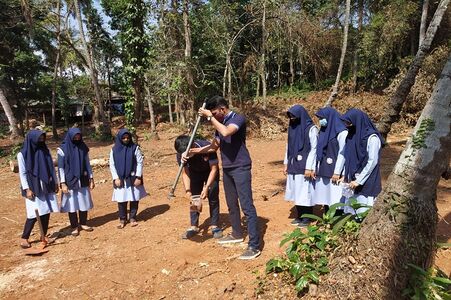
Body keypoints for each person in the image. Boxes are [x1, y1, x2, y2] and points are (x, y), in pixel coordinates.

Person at [188, 95, 261, 260]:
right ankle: (237, 233)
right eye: (212, 114)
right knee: (231, 204)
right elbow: (214, 146)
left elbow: (227, 131)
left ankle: (254, 245)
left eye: (216, 113)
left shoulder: (238, 118)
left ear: (222, 109)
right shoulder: (218, 123)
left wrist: (209, 116)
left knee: (247, 206)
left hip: (241, 167)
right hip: (227, 168)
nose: (214, 116)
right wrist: (193, 152)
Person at [174, 135, 222, 239]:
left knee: (212, 196)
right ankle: (194, 226)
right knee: (195, 198)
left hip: (210, 172)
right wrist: (188, 191)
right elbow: (185, 173)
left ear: (193, 146)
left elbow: (214, 169)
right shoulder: (181, 154)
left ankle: (214, 225)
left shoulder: (207, 147)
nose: (185, 155)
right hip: (194, 173)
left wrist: (207, 187)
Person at [17, 130, 59, 248]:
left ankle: (43, 235)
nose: (41, 141)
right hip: (33, 187)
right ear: (32, 139)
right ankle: (24, 238)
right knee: (33, 214)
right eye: (39, 139)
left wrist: (55, 182)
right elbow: (23, 173)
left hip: (46, 184)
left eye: (42, 138)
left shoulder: (46, 151)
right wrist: (27, 189)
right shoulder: (22, 154)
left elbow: (51, 168)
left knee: (45, 212)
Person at [341, 108, 383, 216]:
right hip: (353, 178)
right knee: (352, 210)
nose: (347, 125)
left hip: (366, 178)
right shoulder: (351, 136)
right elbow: (348, 157)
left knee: (364, 208)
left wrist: (359, 180)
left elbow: (372, 161)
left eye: (349, 123)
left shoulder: (372, 138)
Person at [283, 105, 318, 227]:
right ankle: (299, 215)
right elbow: (288, 146)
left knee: (305, 191)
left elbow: (314, 148)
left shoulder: (311, 129)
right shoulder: (292, 127)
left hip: (304, 164)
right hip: (293, 163)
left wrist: (309, 167)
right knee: (296, 191)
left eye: (294, 116)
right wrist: (286, 163)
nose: (292, 119)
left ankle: (307, 217)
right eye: (290, 116)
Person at [57, 128, 95, 236]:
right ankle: (74, 226)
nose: (77, 138)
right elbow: (61, 168)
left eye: (79, 136)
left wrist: (91, 178)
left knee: (83, 202)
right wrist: (63, 183)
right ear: (70, 136)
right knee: (72, 204)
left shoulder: (83, 147)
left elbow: (87, 164)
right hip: (70, 180)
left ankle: (83, 223)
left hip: (83, 178)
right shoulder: (63, 149)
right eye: (75, 136)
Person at [109, 129, 147, 228]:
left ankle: (133, 217)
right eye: (124, 138)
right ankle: (122, 219)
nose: (126, 139)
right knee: (121, 200)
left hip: (133, 177)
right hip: (120, 178)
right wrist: (115, 178)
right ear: (120, 138)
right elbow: (112, 165)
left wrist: (138, 176)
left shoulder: (134, 148)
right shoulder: (114, 150)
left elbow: (139, 162)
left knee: (134, 198)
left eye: (128, 137)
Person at [313, 107, 348, 212]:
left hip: (335, 170)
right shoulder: (323, 131)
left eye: (322, 118)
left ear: (330, 117)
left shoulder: (342, 132)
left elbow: (343, 154)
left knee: (335, 196)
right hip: (324, 169)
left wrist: (337, 172)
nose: (320, 121)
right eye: (319, 118)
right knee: (326, 195)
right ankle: (327, 218)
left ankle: (336, 221)